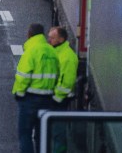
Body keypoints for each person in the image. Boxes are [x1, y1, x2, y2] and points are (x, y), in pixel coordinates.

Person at [13, 23, 60, 153]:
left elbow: (23, 76)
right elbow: (57, 73)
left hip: (30, 99)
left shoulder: (30, 51)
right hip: (48, 99)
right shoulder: (52, 51)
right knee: (42, 134)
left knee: (25, 134)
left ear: (29, 35)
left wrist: (19, 93)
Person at [49, 26, 78, 108]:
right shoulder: (57, 51)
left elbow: (66, 82)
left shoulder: (67, 57)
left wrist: (56, 98)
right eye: (49, 37)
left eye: (52, 38)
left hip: (59, 100)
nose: (49, 40)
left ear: (61, 39)